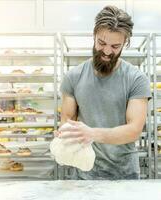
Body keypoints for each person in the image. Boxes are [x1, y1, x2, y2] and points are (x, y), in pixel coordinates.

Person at [56, 5, 151, 180]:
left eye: (115, 46)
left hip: (124, 174)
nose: (107, 51)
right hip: (84, 173)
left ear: (125, 43)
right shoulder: (73, 76)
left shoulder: (136, 79)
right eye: (101, 43)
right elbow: (67, 119)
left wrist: (92, 133)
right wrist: (66, 133)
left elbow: (134, 130)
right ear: (94, 36)